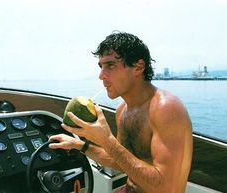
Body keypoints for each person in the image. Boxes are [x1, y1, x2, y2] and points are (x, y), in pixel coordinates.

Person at [49, 32, 193, 193]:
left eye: (110, 65)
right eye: (101, 67)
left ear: (138, 67)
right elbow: (121, 159)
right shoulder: (122, 110)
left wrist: (107, 140)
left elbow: (168, 189)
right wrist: (80, 145)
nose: (101, 76)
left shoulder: (166, 108)